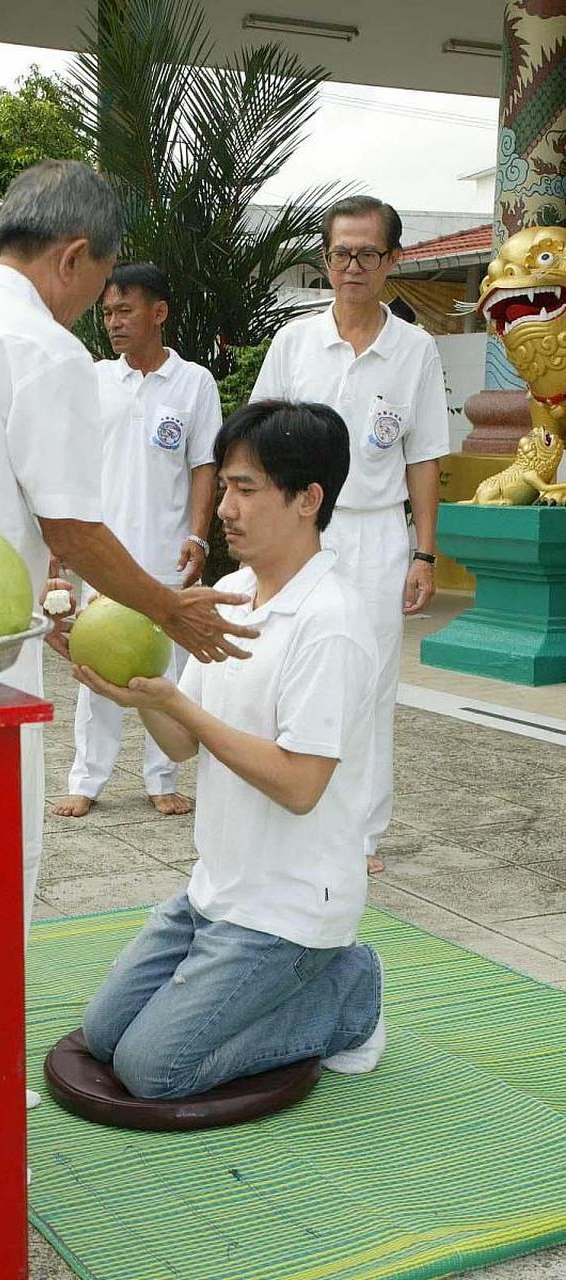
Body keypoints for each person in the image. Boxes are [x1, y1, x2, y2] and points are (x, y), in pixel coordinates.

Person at [0, 159, 256, 1202]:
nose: (98, 305)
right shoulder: (40, 347)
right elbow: (70, 522)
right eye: (98, 282)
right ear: (72, 255)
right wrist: (167, 609)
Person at [76, 400, 384, 1098]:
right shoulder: (232, 594)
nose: (224, 508)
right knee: (102, 1036)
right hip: (215, 893)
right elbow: (183, 742)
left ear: (307, 499)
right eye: (224, 488)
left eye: (245, 489)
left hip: (290, 911)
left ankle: (349, 996)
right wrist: (146, 696)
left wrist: (176, 702)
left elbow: (300, 783)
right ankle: (304, 985)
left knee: (154, 1071)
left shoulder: (329, 622)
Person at [250, 196, 449, 876]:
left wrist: (423, 551)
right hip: (299, 536)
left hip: (375, 537)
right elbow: (257, 437)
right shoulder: (293, 342)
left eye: (368, 253)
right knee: (282, 671)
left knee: (366, 687)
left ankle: (359, 833)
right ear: (325, 259)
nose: (353, 267)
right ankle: (285, 813)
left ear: (391, 260)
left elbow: (423, 455)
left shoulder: (413, 349)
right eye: (341, 253)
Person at [55, 263, 222, 820]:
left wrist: (198, 536)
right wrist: (61, 544)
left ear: (158, 313)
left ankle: (161, 778)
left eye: (124, 311)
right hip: (102, 550)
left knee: (163, 667)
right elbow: (71, 465)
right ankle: (87, 779)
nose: (113, 323)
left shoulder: (194, 382)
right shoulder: (95, 379)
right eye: (106, 313)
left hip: (165, 550)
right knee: (95, 661)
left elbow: (204, 465)